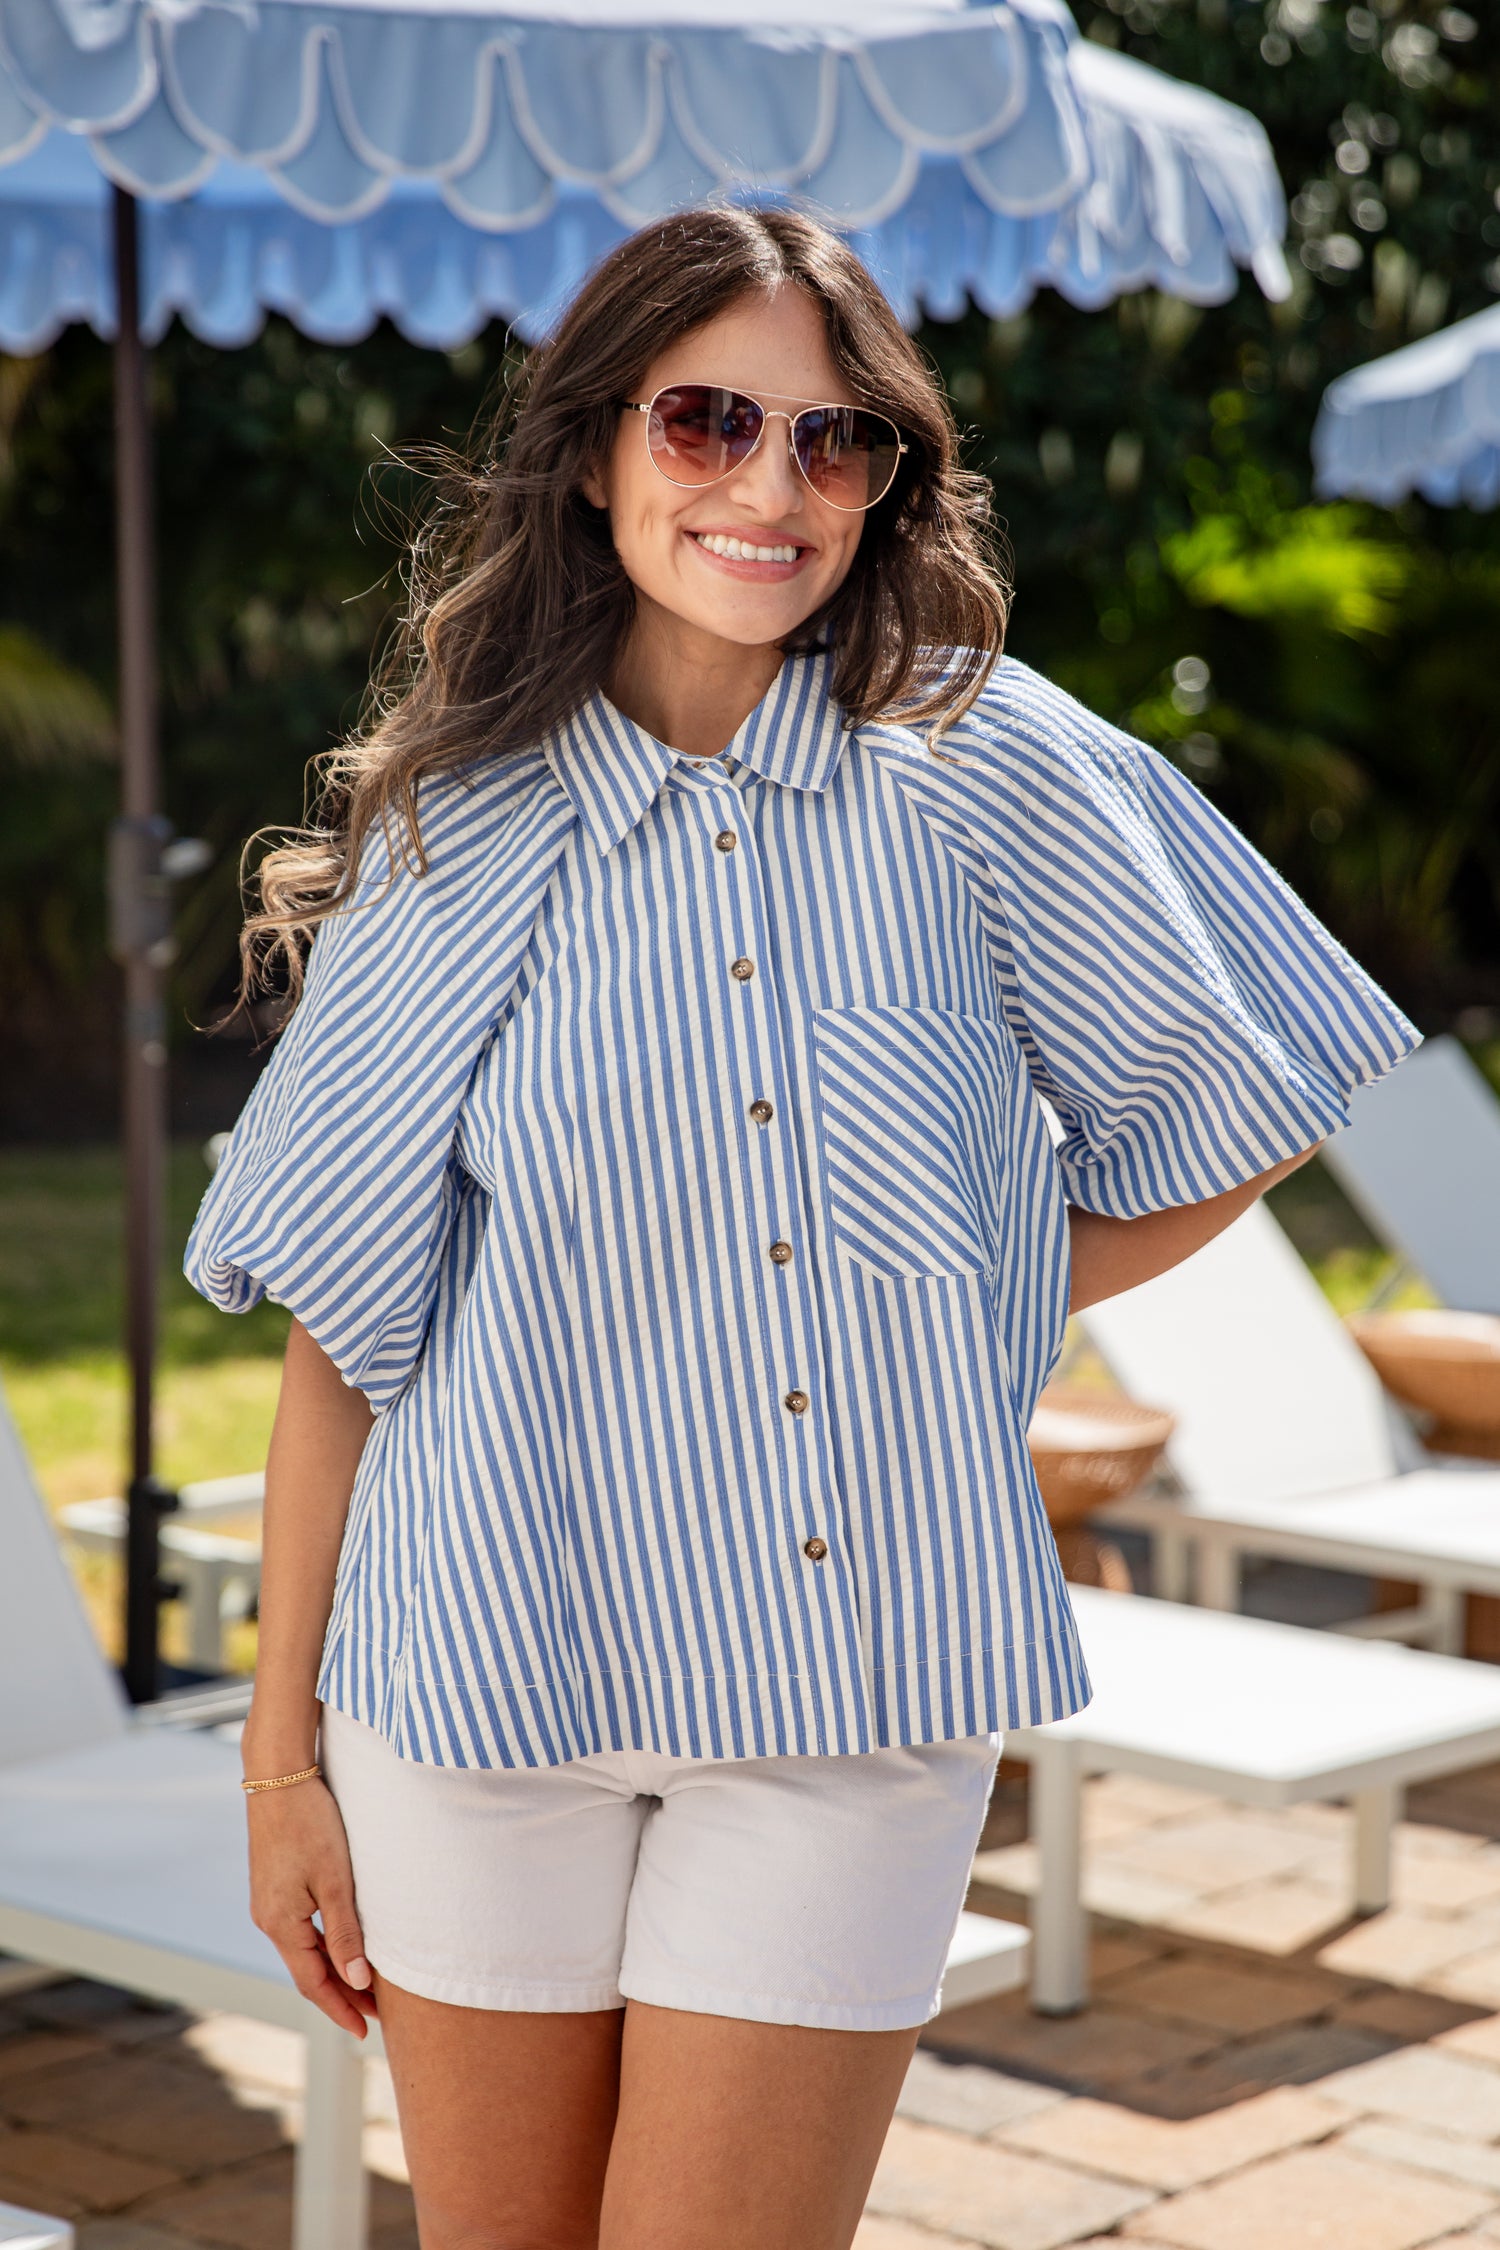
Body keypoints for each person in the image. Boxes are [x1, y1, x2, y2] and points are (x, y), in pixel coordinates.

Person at [185, 204, 1420, 2250]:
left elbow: (1240, 1091)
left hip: (846, 1696)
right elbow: (345, 1317)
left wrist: (973, 1287)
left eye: (836, 443)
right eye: (706, 421)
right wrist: (277, 1763)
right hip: (482, 1688)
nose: (770, 486)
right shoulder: (456, 817)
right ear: (595, 451)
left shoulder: (980, 762)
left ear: (886, 483)